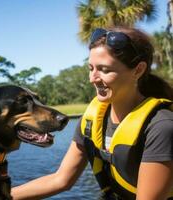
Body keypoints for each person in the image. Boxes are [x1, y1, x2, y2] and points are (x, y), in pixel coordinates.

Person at [11, 27, 173, 200]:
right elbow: (61, 180)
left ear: (138, 70)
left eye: (104, 70)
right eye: (91, 68)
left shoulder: (161, 127)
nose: (92, 78)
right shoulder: (91, 121)